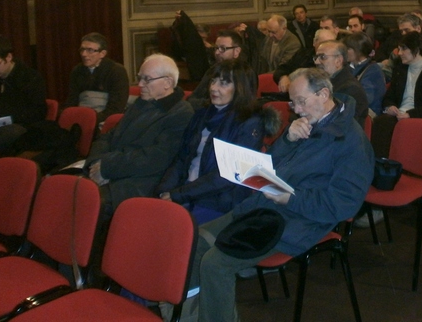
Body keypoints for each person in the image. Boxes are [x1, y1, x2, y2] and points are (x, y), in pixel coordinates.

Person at [189, 67, 374, 322]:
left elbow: (343, 205)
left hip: (299, 221)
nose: (296, 109)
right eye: (292, 102)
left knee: (215, 264)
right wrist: (287, 138)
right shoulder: (307, 123)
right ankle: (190, 317)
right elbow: (270, 164)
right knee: (195, 241)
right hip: (265, 205)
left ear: (323, 94)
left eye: (300, 101)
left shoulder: (352, 143)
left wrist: (290, 198)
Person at [156, 59, 281, 224]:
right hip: (185, 191)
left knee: (171, 231)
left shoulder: (250, 122)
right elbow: (181, 158)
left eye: (223, 83)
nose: (214, 88)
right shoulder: (202, 114)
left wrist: (178, 195)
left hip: (217, 201)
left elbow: (227, 176)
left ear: (241, 88)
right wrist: (164, 191)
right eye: (213, 81)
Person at [84, 54, 193, 220]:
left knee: (86, 202)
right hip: (112, 170)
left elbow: (155, 158)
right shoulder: (141, 103)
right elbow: (109, 136)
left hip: (140, 182)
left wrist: (106, 168)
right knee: (65, 190)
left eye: (147, 79)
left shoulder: (181, 113)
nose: (140, 84)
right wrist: (96, 163)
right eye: (140, 78)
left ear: (167, 83)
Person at [372, 31, 422, 158]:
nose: (399, 53)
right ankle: (382, 166)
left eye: (403, 49)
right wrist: (390, 107)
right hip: (401, 114)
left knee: (394, 127)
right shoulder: (400, 69)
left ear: (416, 49)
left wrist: (411, 114)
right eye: (399, 49)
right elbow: (389, 96)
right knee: (380, 123)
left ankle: (396, 166)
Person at [0, 34, 47, 153]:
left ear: (9, 57)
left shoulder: (30, 77)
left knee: (13, 131)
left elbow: (38, 113)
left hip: (21, 129)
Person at [63, 32, 129, 125]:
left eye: (90, 50)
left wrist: (90, 120)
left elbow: (116, 108)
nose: (84, 54)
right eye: (82, 49)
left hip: (105, 120)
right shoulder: (77, 70)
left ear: (102, 53)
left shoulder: (116, 71)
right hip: (81, 117)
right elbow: (72, 101)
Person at [314, 40, 370, 125]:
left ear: (338, 61)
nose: (316, 62)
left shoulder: (350, 89)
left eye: (322, 57)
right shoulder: (320, 83)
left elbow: (335, 125)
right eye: (316, 57)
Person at [188, 30, 247, 108]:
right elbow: (192, 98)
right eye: (216, 48)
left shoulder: (245, 73)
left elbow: (238, 104)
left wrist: (210, 103)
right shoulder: (212, 70)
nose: (217, 53)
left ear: (236, 51)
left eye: (223, 48)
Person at [380, 13, 422, 79]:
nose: (403, 34)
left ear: (418, 29)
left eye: (407, 30)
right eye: (401, 31)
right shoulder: (397, 51)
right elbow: (387, 74)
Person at [344, 32, 386, 118]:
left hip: (367, 114)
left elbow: (365, 99)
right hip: (352, 109)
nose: (344, 52)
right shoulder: (349, 67)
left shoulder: (373, 71)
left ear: (358, 50)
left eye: (348, 48)